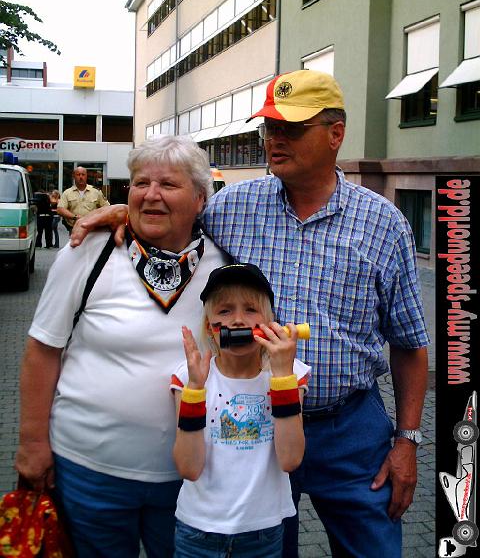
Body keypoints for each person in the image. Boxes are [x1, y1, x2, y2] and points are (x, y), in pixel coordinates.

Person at [71, 70, 430, 558]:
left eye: (292, 128)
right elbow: (168, 214)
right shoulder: (231, 207)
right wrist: (121, 211)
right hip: (251, 425)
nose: (275, 139)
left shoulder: (384, 224)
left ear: (336, 134)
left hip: (349, 432)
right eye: (269, 128)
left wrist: (407, 440)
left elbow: (409, 343)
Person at [15, 136, 227, 558]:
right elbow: (42, 351)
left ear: (201, 199)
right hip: (90, 473)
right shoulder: (87, 253)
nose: (151, 194)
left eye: (168, 184)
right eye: (140, 182)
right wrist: (32, 443)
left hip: (192, 476)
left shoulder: (224, 267)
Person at [171, 263, 310, 557]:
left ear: (270, 322)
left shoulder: (289, 375)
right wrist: (195, 389)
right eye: (224, 311)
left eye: (250, 309)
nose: (237, 320)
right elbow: (188, 467)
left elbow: (290, 459)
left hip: (263, 532)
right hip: (198, 531)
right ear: (210, 325)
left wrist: (282, 375)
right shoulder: (188, 376)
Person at [57, 166, 109, 234]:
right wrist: (75, 217)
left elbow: (107, 208)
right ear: (74, 176)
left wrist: (97, 218)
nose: (81, 177)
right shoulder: (67, 193)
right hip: (75, 229)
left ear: (86, 176)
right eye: (78, 174)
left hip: (93, 230)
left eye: (83, 174)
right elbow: (60, 209)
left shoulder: (96, 192)